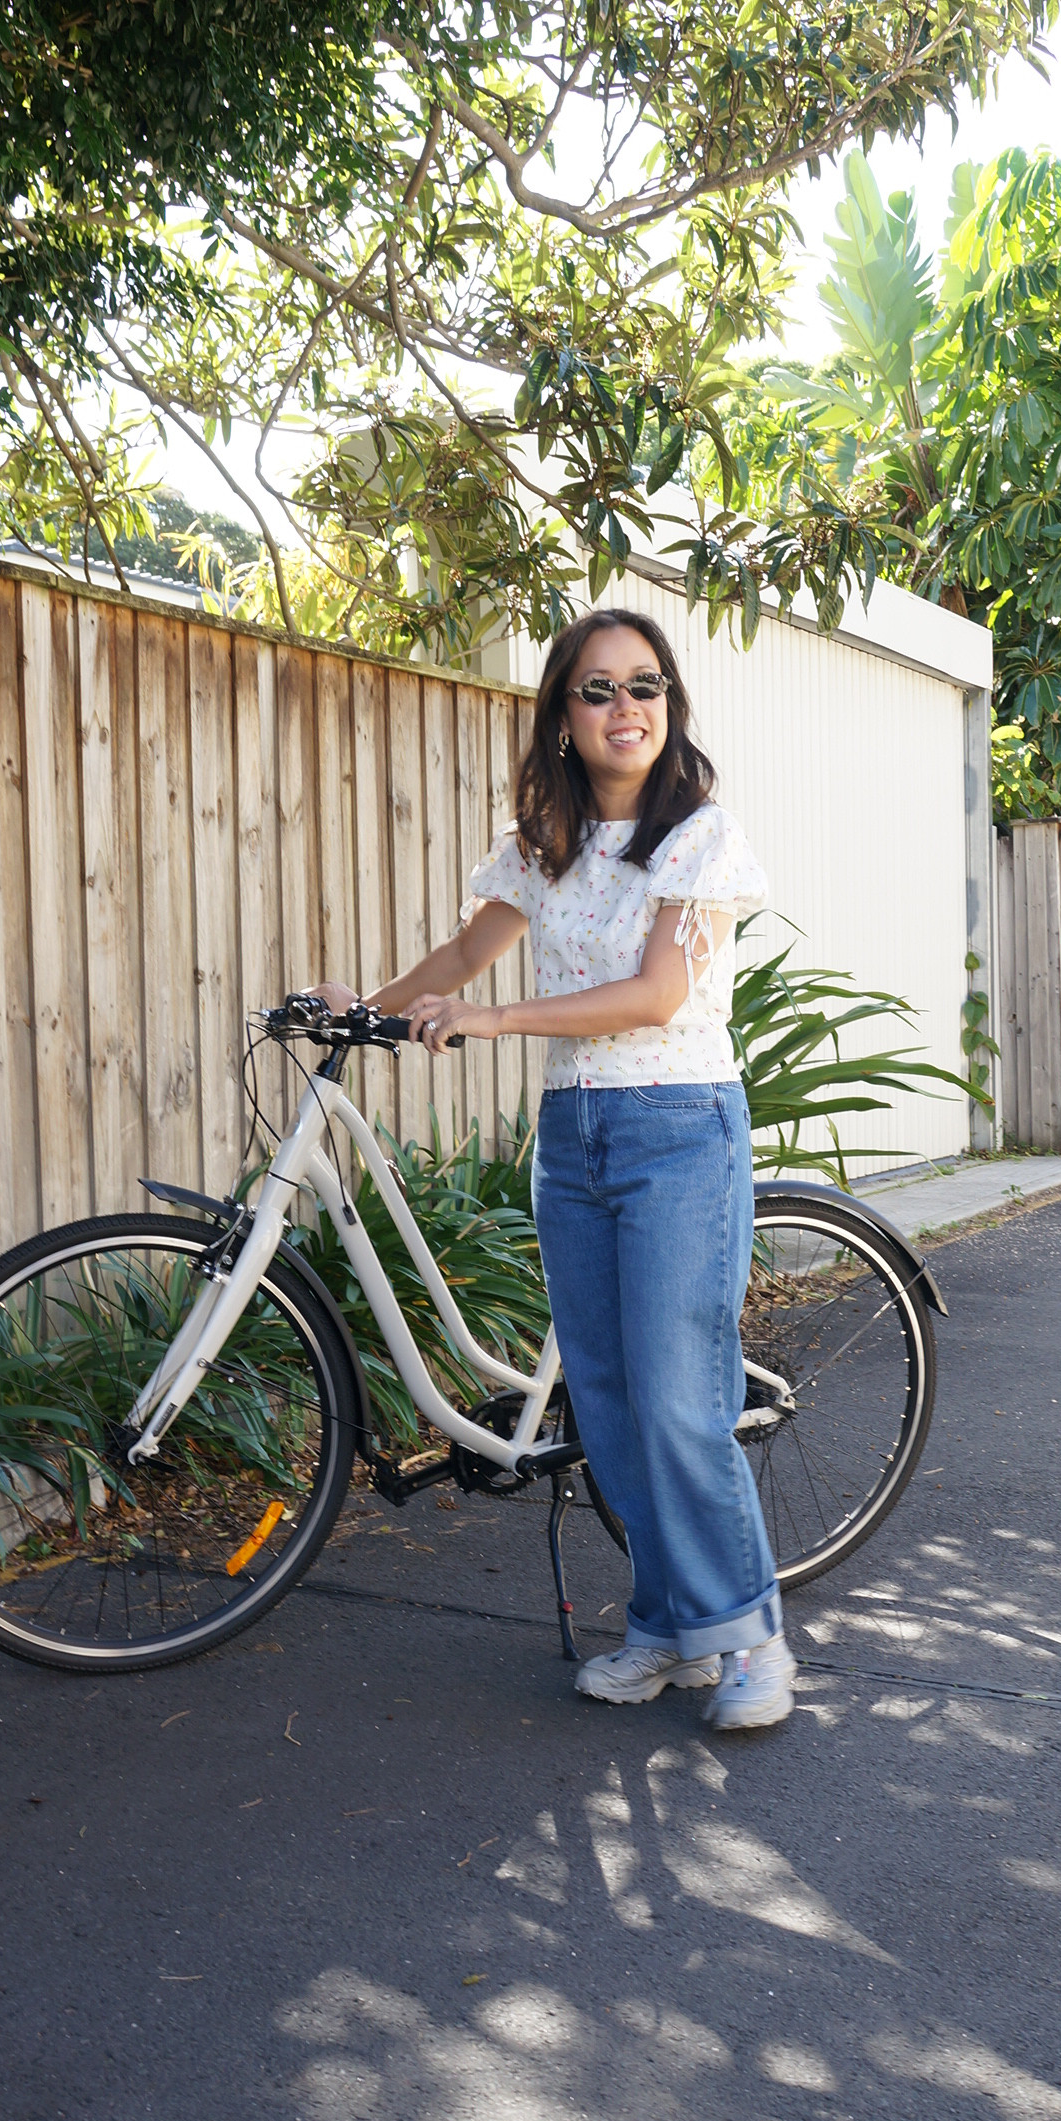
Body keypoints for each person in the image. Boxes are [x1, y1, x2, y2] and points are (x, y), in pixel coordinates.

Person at [310, 608, 794, 1729]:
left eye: (646, 687)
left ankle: (751, 1638)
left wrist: (491, 1020)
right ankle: (671, 1629)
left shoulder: (697, 838)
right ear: (562, 719)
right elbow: (463, 954)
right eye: (599, 691)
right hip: (574, 1140)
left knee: (680, 1406)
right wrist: (364, 1011)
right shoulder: (540, 848)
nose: (627, 709)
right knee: (614, 1408)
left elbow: (655, 997)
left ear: (668, 708)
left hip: (678, 1127)